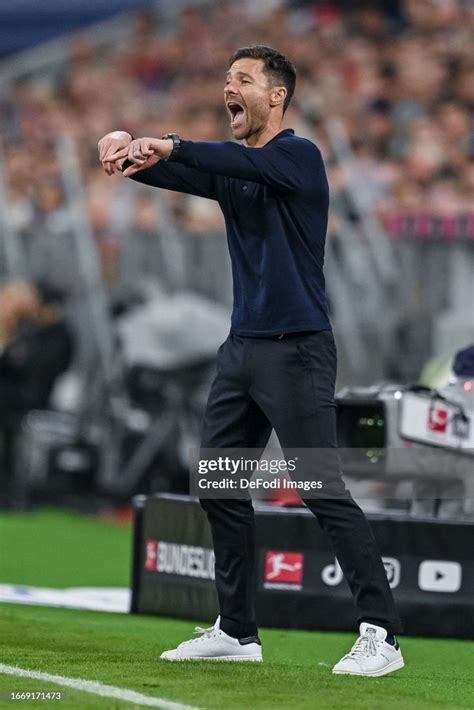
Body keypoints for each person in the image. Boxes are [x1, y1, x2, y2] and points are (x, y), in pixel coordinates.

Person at [98, 45, 404, 676]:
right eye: (225, 79)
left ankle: (382, 634)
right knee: (220, 486)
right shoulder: (236, 168)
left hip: (297, 352)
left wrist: (171, 142)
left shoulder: (299, 156)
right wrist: (130, 150)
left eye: (242, 79)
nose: (228, 88)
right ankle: (237, 630)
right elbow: (184, 171)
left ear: (276, 97)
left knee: (320, 488)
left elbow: (212, 157)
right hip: (242, 353)